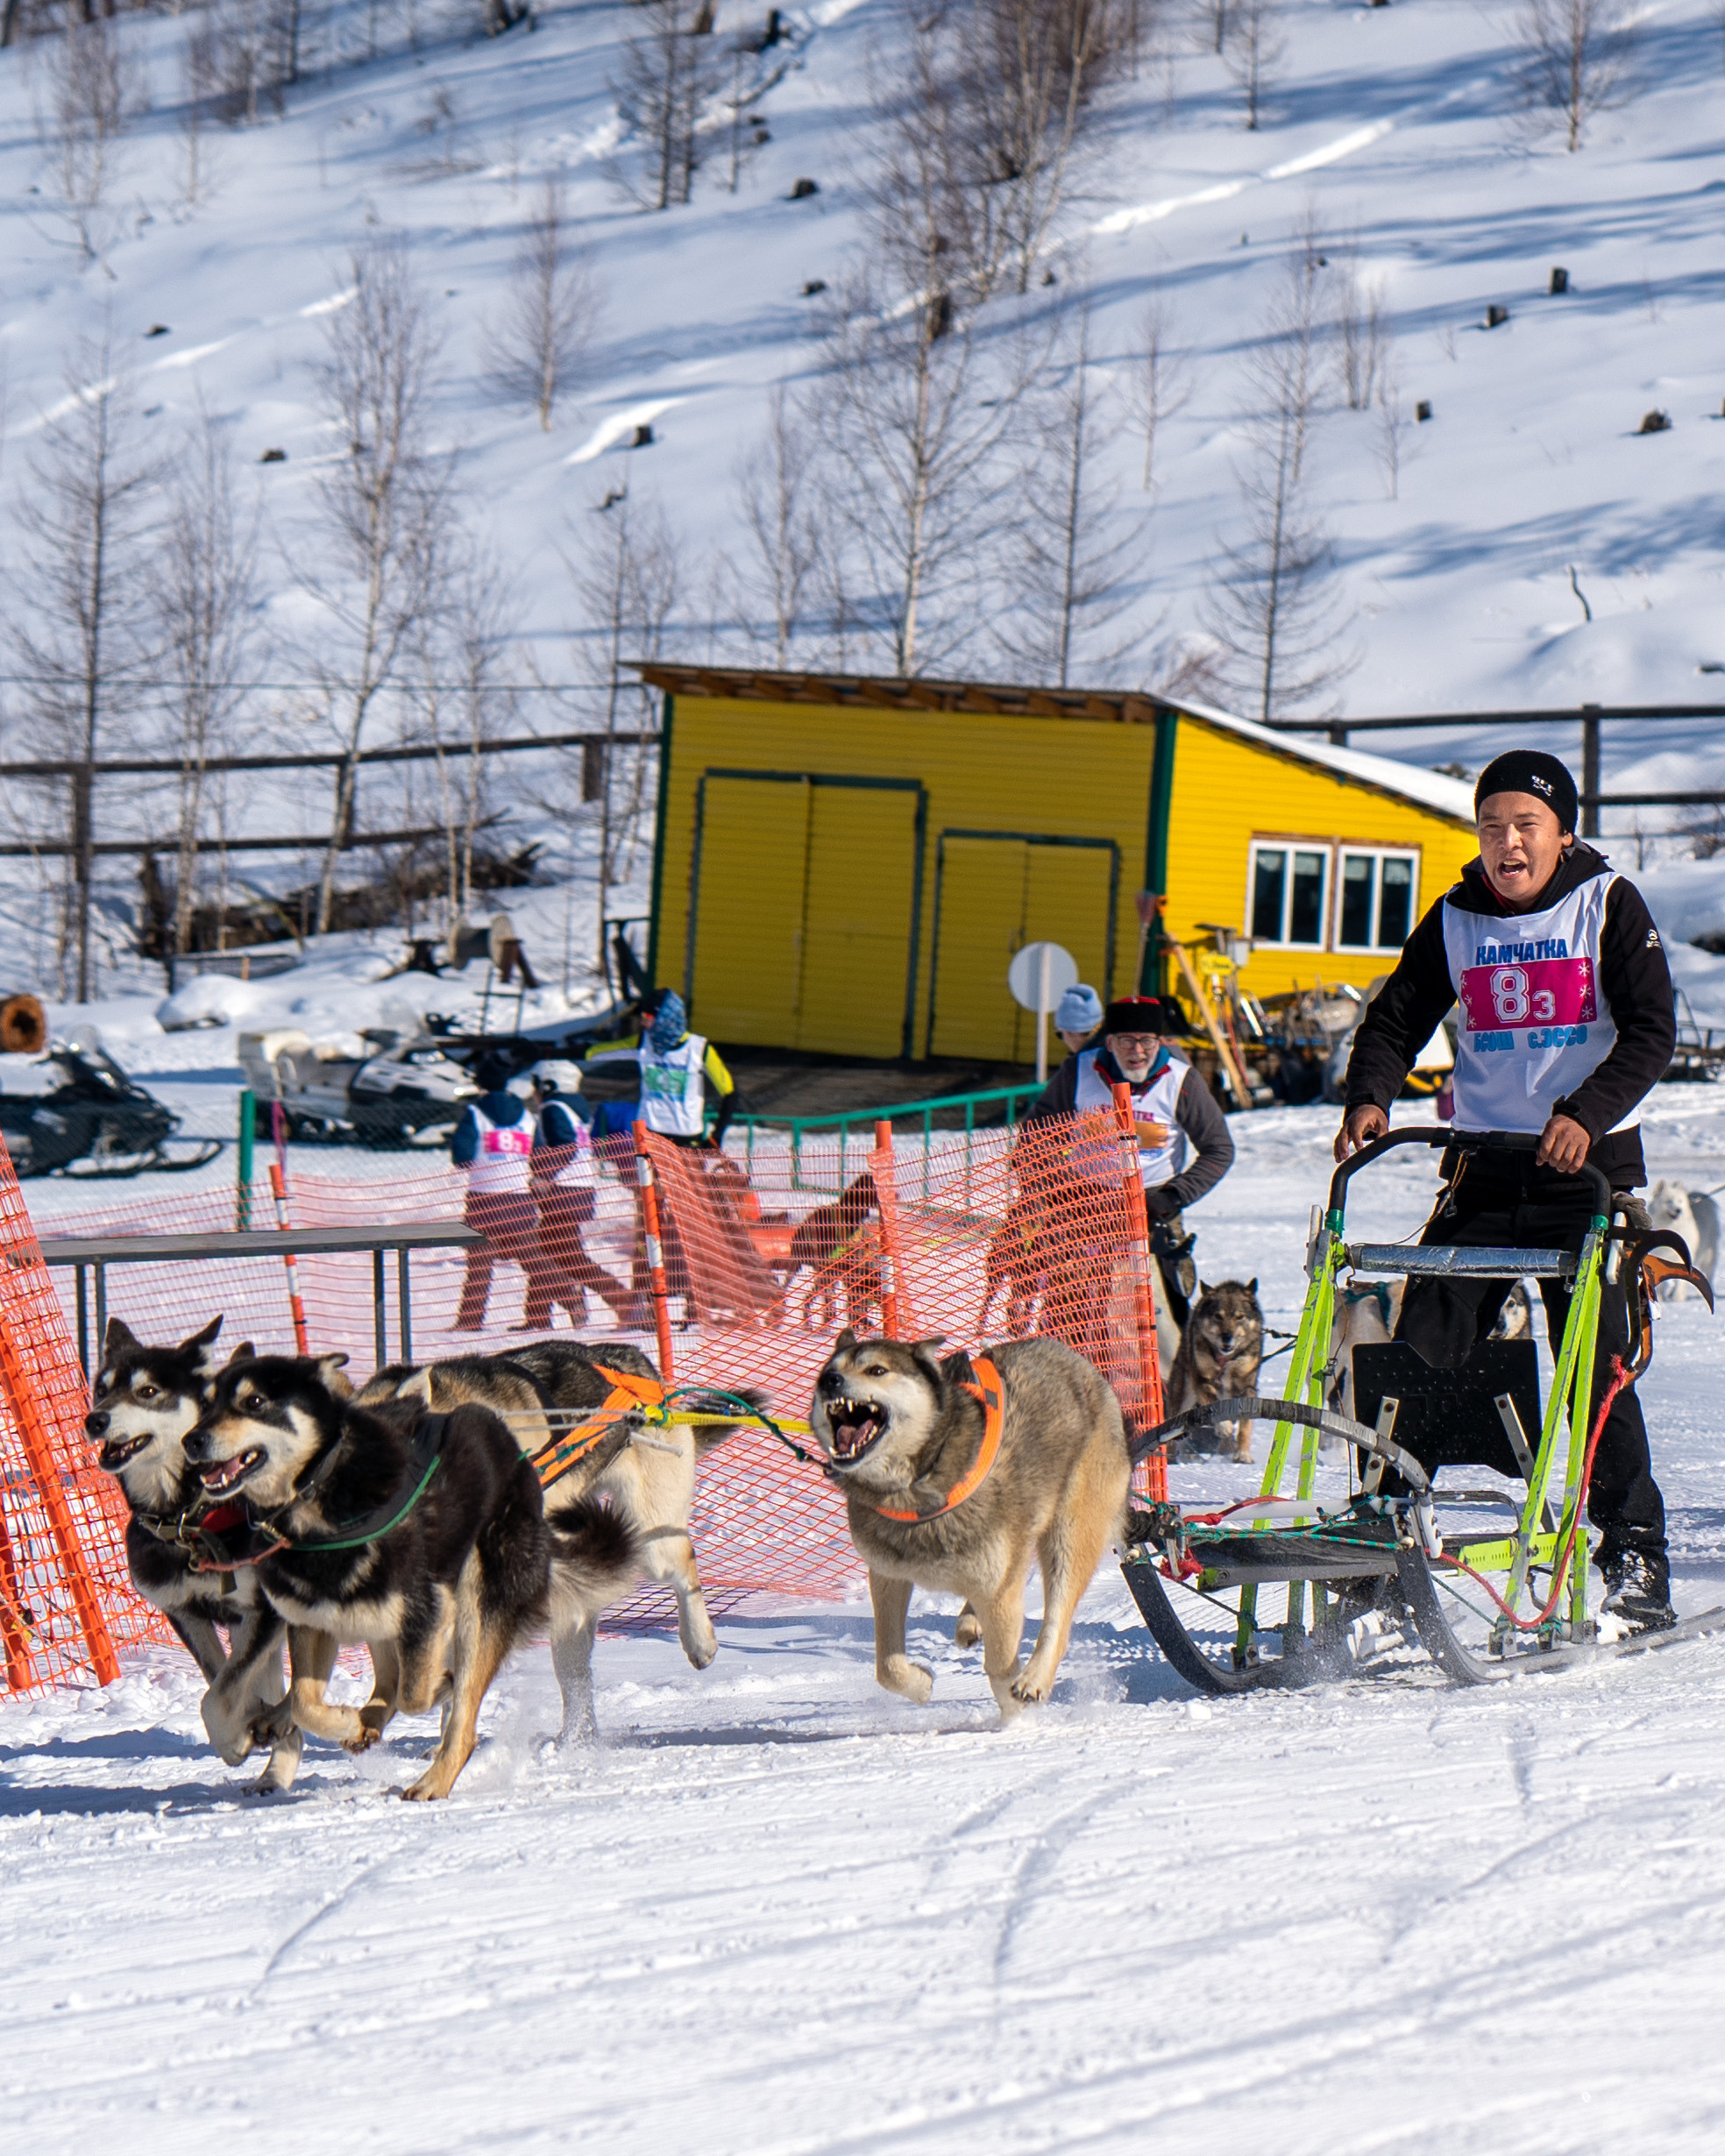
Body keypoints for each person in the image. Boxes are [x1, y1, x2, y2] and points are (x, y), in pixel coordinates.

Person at [1336, 748, 1678, 1631]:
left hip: (1589, 1177)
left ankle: (1634, 1556)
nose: (1508, 844)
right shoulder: (1456, 915)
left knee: (1594, 1370)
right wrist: (1369, 1095)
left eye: (1525, 826)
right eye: (1492, 827)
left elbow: (1650, 1034)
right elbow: (1396, 1017)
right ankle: (1380, 1555)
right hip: (1485, 1170)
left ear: (1562, 832)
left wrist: (1588, 1111)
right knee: (1415, 1353)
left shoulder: (1607, 903)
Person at [1025, 993, 1235, 1326]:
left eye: (1146, 1041)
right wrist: (1052, 1191)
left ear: (1159, 1040)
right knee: (1072, 1315)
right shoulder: (1078, 1071)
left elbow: (1219, 1149)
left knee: (1156, 1322)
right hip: (1084, 1207)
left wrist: (1173, 1196)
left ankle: (1163, 1377)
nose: (1137, 1051)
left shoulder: (1181, 1081)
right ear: (1109, 1042)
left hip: (1154, 1209)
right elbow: (1035, 1137)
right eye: (1126, 1041)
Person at [450, 1053, 565, 1331]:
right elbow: (539, 1153)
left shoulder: (475, 1112)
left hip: (484, 1200)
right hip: (519, 1200)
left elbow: (462, 1157)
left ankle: (470, 1321)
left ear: (482, 1086)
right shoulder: (526, 1115)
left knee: (479, 1265)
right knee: (534, 1259)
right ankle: (565, 1297)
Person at [520, 1061, 631, 1331]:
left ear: (548, 1085)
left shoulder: (552, 1108)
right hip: (581, 1188)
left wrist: (544, 1174)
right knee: (551, 1250)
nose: (534, 1091)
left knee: (567, 1257)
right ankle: (538, 1318)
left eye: (537, 1085)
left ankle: (627, 1303)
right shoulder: (574, 1107)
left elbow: (565, 1146)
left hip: (563, 1190)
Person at [583, 989, 737, 1147]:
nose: (643, 1022)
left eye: (648, 1017)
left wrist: (716, 1136)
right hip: (649, 1134)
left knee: (686, 1173)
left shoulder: (698, 1049)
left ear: (666, 1018)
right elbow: (594, 1052)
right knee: (641, 1172)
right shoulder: (643, 1043)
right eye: (642, 1017)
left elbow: (730, 1093)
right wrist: (557, 1052)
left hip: (687, 1138)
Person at [1054, 982, 1104, 1058]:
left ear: (1072, 1032)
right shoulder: (1121, 1053)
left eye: (1060, 1035)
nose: (1064, 1040)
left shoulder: (1079, 1064)